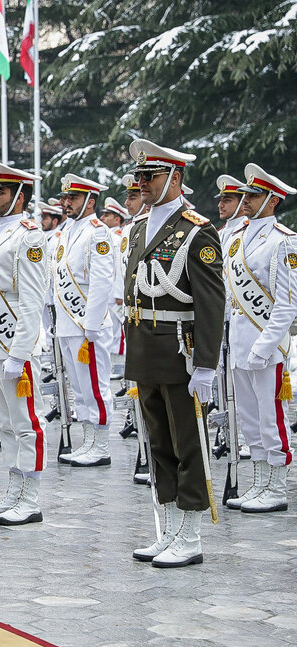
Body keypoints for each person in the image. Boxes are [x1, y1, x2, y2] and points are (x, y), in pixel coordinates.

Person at [124, 138, 225, 568]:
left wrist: (206, 363)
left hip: (179, 349)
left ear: (175, 177)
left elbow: (211, 301)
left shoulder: (197, 229)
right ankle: (167, 526)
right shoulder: (138, 227)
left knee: (188, 442)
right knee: (158, 443)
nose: (142, 184)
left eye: (150, 176)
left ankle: (191, 532)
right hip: (145, 346)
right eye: (139, 176)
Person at [0, 162, 49, 525]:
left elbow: (32, 300)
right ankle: (13, 490)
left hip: (15, 340)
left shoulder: (30, 235)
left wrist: (19, 354)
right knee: (4, 424)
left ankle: (30, 497)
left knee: (25, 422)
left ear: (20, 196)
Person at [224, 163, 296, 513]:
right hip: (238, 342)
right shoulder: (236, 236)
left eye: (253, 195)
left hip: (267, 346)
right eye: (247, 194)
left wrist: (264, 346)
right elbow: (228, 294)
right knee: (250, 421)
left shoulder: (284, 241)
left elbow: (287, 305)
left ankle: (277, 487)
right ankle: (258, 482)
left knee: (272, 418)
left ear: (272, 200)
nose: (246, 200)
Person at [54, 174, 116, 468]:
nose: (66, 203)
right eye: (65, 198)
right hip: (67, 322)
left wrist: (90, 325)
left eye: (73, 198)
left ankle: (101, 444)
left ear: (90, 201)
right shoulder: (66, 231)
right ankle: (88, 440)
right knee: (78, 387)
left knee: (94, 385)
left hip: (87, 325)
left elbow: (102, 282)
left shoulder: (98, 233)